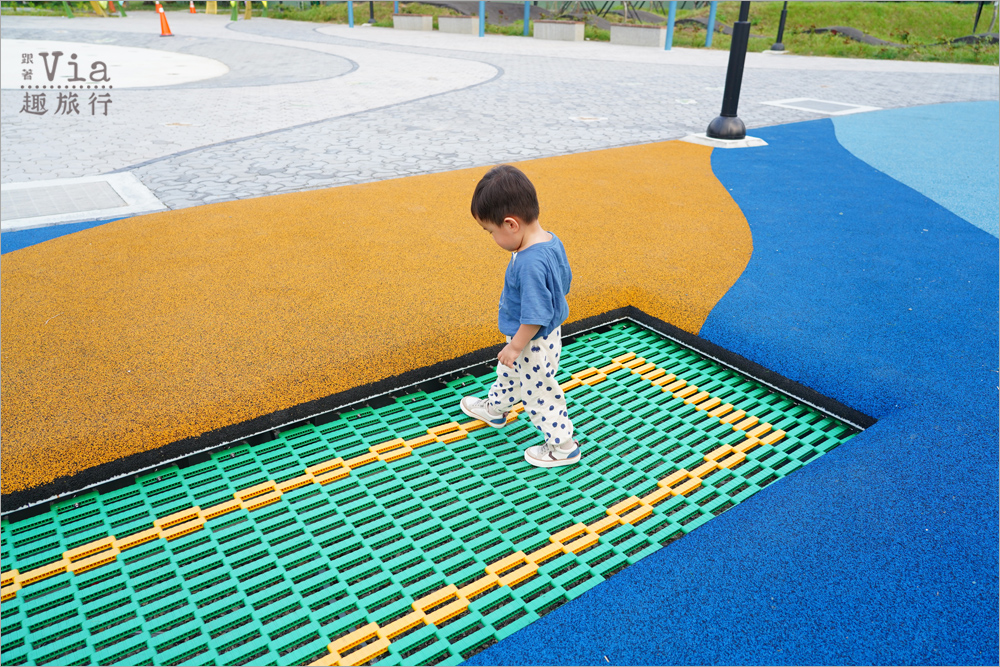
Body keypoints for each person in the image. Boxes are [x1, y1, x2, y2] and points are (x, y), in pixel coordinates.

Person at [459, 165, 580, 468]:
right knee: (511, 373)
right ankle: (496, 409)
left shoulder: (529, 261)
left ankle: (563, 445)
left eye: (491, 232)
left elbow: (536, 315)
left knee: (539, 391)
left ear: (511, 224)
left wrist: (516, 345)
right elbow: (564, 282)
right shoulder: (549, 240)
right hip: (541, 337)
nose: (492, 238)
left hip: (531, 340)